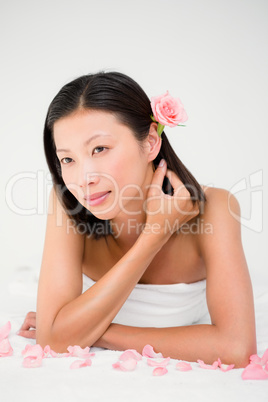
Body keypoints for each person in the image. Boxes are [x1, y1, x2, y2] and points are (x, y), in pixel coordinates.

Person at [18, 71, 256, 367]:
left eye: (100, 149)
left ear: (151, 142)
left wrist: (92, 333)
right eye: (68, 159)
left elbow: (236, 348)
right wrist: (152, 238)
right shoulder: (67, 202)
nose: (83, 178)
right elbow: (53, 340)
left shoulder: (215, 207)